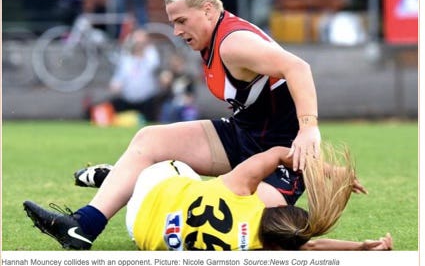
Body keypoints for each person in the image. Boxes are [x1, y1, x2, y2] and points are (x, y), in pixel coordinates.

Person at [22, 0, 323, 250]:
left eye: (182, 21)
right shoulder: (212, 36)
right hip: (243, 136)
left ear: (207, 10)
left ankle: (131, 179)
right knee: (149, 140)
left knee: (235, 224)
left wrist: (309, 128)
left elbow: (297, 67)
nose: (177, 31)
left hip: (282, 158)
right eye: (173, 23)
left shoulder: (234, 43)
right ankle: (82, 226)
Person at [25, 145, 392, 250]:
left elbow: (280, 151)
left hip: (159, 184)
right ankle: (119, 180)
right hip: (140, 232)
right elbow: (311, 248)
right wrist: (361, 248)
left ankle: (116, 178)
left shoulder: (241, 192)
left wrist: (332, 173)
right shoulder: (261, 252)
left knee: (160, 153)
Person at [85, 28, 161, 123]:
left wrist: (143, 51)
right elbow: (119, 76)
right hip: (127, 100)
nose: (138, 43)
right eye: (136, 40)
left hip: (147, 101)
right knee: (105, 108)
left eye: (141, 40)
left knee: (152, 118)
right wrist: (115, 84)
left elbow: (154, 66)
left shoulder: (151, 54)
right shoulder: (126, 58)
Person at [158, 53, 199, 123]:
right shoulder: (170, 76)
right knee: (168, 108)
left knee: (190, 112)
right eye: (174, 65)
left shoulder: (188, 77)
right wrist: (165, 83)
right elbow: (164, 92)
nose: (177, 67)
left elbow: (192, 93)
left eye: (179, 64)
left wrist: (187, 100)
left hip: (185, 103)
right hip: (172, 103)